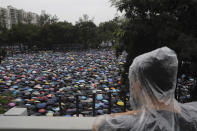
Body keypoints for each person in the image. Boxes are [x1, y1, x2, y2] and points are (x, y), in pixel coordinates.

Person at [93, 47, 197, 131]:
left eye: (133, 80)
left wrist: (133, 113)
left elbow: (99, 123)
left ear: (139, 84)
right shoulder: (192, 114)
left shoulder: (125, 124)